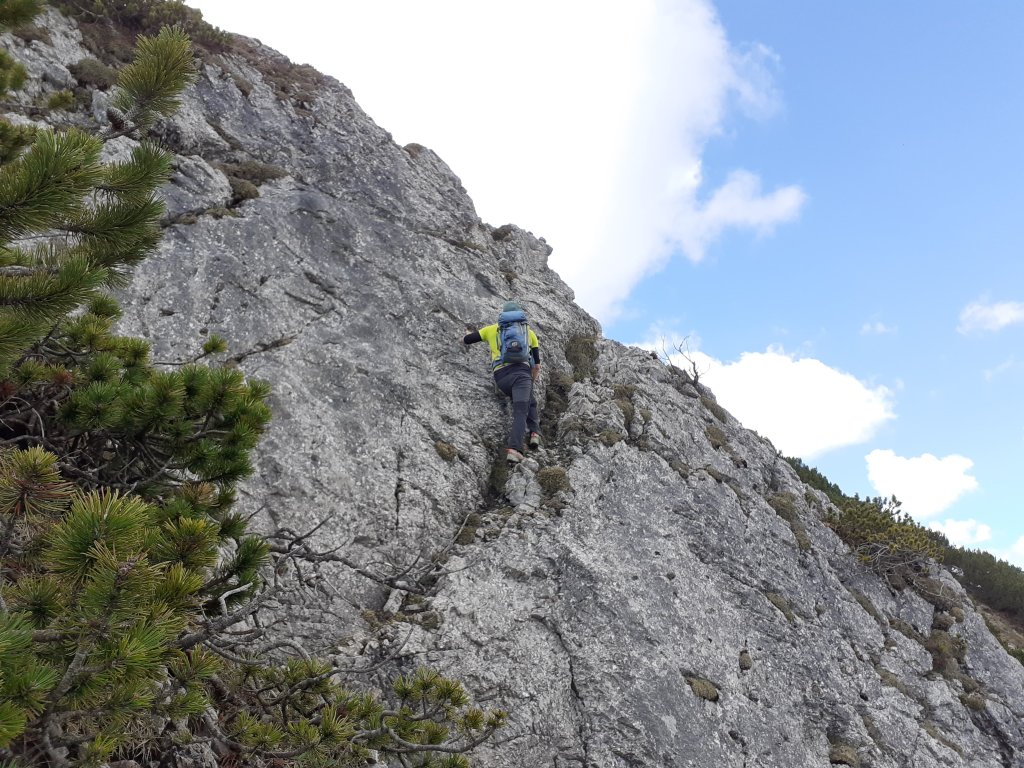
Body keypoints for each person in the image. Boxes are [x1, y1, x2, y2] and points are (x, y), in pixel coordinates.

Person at [464, 301, 541, 463]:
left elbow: (467, 340)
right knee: (521, 410)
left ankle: (535, 433)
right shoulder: (529, 334)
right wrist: (531, 381)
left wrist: (467, 332)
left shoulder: (491, 329)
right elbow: (537, 367)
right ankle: (515, 449)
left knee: (529, 399)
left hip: (501, 378)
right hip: (521, 375)